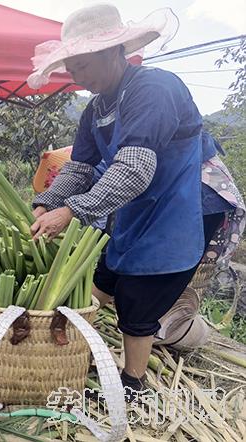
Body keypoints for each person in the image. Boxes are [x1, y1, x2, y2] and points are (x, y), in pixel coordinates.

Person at [26, 4, 244, 397]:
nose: (75, 78)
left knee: (138, 297)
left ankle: (133, 384)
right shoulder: (95, 108)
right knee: (104, 277)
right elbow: (79, 169)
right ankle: (82, 343)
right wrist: (45, 202)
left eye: (80, 66)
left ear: (113, 52)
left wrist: (71, 210)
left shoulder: (153, 89)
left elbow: (134, 169)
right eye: (71, 70)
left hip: (184, 203)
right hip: (138, 203)